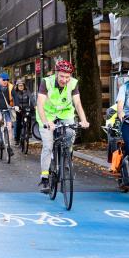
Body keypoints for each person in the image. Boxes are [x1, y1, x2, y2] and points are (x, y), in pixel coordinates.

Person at [36, 59, 89, 192]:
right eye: (62, 76)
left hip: (65, 113)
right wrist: (46, 122)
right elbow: (40, 105)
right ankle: (44, 178)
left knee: (70, 134)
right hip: (47, 115)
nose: (64, 80)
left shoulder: (73, 83)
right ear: (56, 73)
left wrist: (83, 120)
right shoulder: (46, 82)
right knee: (48, 146)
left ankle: (66, 160)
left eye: (67, 77)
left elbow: (77, 103)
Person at [12, 79, 34, 145]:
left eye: (22, 85)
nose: (21, 87)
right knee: (18, 124)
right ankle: (17, 139)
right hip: (18, 109)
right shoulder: (15, 92)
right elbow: (13, 100)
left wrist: (35, 105)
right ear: (17, 86)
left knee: (29, 118)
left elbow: (31, 98)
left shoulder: (27, 91)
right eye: (19, 86)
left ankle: (29, 132)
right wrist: (15, 107)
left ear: (24, 86)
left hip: (26, 108)